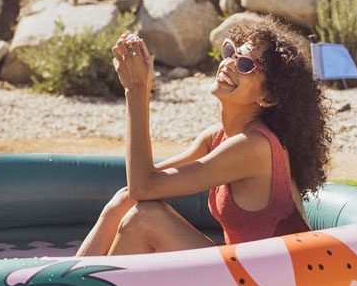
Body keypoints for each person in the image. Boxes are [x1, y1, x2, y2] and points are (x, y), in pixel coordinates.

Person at [76, 18, 332, 257]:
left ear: (268, 97)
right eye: (231, 52)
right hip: (245, 274)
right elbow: (136, 189)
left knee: (144, 218)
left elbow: (145, 186)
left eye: (246, 65)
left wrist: (136, 89)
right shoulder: (216, 138)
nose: (230, 63)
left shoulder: (254, 147)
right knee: (124, 200)